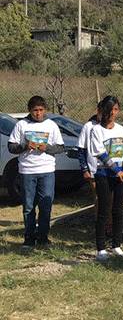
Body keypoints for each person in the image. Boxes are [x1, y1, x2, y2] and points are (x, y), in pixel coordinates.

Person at [8, 96, 64, 249]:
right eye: (35, 110)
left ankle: (43, 237)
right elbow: (11, 147)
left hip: (47, 171)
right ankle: (29, 238)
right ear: (30, 110)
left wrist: (47, 148)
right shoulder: (21, 125)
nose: (38, 113)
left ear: (45, 110)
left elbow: (60, 147)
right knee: (28, 206)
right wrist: (25, 146)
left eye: (41, 110)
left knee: (46, 205)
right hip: (27, 170)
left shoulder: (51, 125)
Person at [89, 96, 123, 261]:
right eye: (110, 109)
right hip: (104, 174)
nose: (112, 113)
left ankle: (116, 245)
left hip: (122, 174)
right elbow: (100, 153)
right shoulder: (96, 130)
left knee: (118, 210)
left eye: (115, 109)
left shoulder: (121, 129)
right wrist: (116, 170)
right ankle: (101, 248)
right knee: (104, 210)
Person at [77, 104, 100, 195]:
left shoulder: (113, 127)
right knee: (98, 196)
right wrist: (85, 169)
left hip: (111, 169)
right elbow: (81, 149)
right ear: (98, 110)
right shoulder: (88, 126)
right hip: (93, 169)